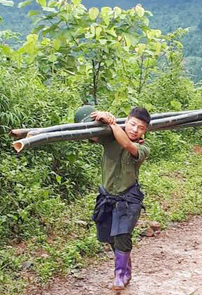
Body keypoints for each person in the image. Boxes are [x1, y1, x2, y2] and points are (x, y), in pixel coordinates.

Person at [74, 105, 151, 291]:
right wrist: (100, 119)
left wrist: (113, 123)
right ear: (127, 120)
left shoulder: (143, 149)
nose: (135, 129)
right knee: (110, 237)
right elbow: (90, 135)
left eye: (140, 127)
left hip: (129, 199)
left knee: (122, 234)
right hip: (107, 196)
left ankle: (119, 275)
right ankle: (125, 269)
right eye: (132, 124)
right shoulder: (109, 137)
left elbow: (127, 145)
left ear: (145, 130)